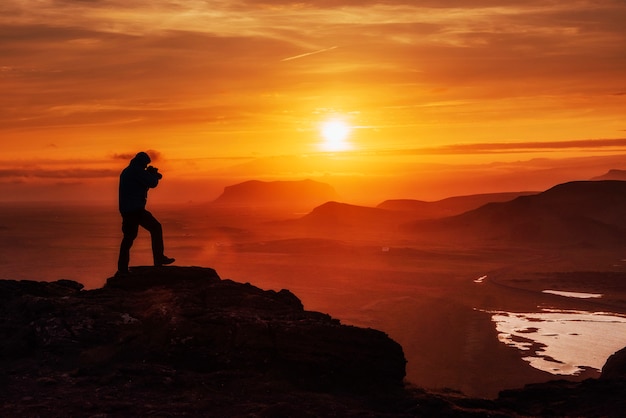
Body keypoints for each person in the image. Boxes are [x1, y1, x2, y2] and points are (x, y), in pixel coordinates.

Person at [116, 151, 175, 276]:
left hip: (127, 210)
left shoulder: (127, 171)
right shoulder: (137, 171)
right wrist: (152, 174)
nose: (145, 166)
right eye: (146, 164)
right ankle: (159, 259)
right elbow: (153, 183)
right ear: (142, 162)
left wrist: (150, 174)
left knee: (128, 238)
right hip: (136, 209)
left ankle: (122, 268)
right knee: (156, 228)